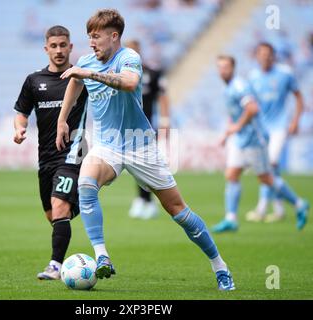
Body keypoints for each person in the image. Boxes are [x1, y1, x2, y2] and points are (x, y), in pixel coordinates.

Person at [56, 9, 235, 291]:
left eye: (96, 37)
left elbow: (129, 83)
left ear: (113, 36)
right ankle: (102, 255)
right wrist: (62, 119)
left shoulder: (129, 58)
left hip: (140, 145)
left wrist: (89, 72)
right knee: (86, 183)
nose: (91, 42)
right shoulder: (86, 61)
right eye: (89, 36)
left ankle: (220, 266)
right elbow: (75, 83)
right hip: (107, 144)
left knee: (178, 210)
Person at [13, 25, 88, 280]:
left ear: (70, 47)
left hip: (73, 154)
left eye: (62, 45)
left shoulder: (80, 78)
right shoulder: (35, 81)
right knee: (53, 214)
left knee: (58, 208)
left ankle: (55, 266)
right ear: (46, 49)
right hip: (45, 158)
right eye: (53, 46)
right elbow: (21, 112)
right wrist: (19, 129)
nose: (58, 50)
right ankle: (75, 207)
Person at [211, 55, 309, 233]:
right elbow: (235, 115)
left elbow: (252, 109)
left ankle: (299, 204)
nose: (222, 71)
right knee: (232, 174)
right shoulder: (228, 88)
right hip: (241, 139)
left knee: (266, 178)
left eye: (225, 67)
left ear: (233, 68)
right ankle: (231, 219)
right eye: (220, 67)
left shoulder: (239, 86)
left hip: (254, 139)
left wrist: (236, 128)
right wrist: (228, 133)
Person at [247, 42, 305, 223]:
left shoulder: (285, 74)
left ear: (273, 56)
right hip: (260, 129)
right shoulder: (253, 76)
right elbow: (249, 104)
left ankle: (262, 208)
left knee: (268, 165)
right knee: (272, 169)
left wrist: (295, 121)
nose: (265, 57)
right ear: (256, 56)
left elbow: (299, 97)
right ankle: (279, 210)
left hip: (279, 127)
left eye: (268, 54)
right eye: (261, 53)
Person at [124, 39, 170, 220]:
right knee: (136, 164)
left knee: (146, 163)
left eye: (134, 50)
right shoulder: (119, 72)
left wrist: (165, 121)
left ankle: (147, 201)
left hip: (146, 125)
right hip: (126, 126)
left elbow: (163, 96)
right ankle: (145, 200)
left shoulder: (152, 72)